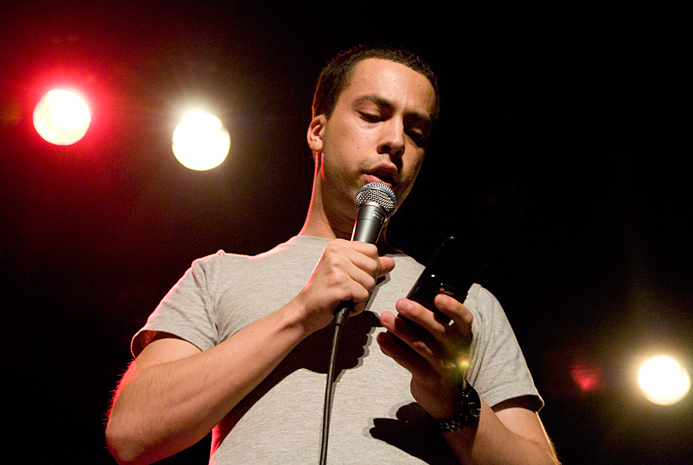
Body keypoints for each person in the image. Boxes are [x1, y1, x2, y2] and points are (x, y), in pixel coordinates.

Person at [105, 44, 560, 465]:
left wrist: (452, 399)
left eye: (416, 131)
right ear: (317, 131)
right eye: (372, 115)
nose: (396, 141)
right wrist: (300, 314)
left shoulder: (464, 309)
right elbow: (131, 435)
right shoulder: (217, 275)